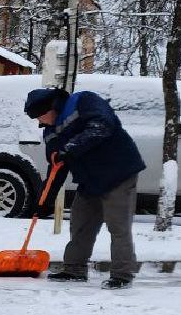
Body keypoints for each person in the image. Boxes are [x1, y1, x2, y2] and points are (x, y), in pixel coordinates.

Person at [23, 86, 146, 289]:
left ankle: (122, 275)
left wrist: (71, 149)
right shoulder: (50, 133)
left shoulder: (85, 101)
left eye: (39, 117)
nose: (39, 122)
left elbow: (102, 126)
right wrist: (44, 203)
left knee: (118, 226)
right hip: (89, 180)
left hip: (118, 172)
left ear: (50, 108)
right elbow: (56, 168)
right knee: (80, 224)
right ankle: (74, 270)